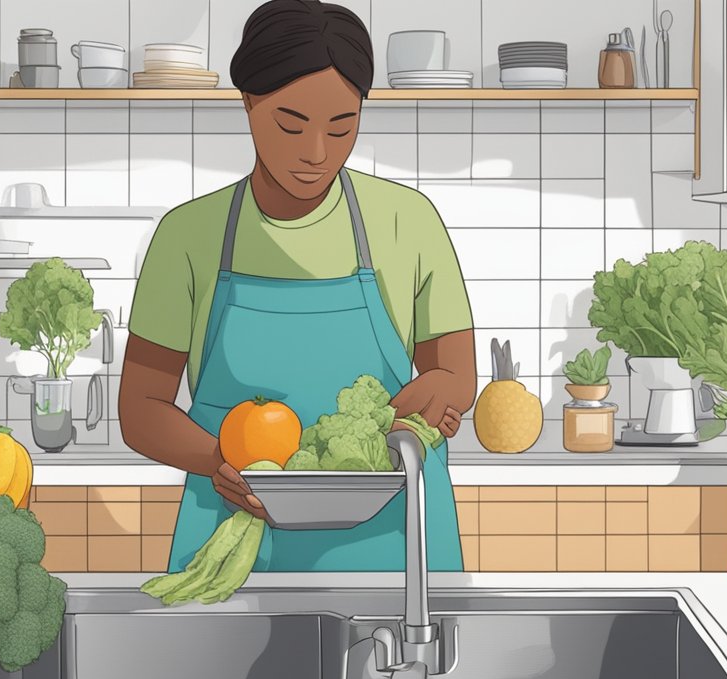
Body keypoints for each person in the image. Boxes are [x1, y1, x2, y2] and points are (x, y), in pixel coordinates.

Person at [120, 0, 476, 573]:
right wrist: (218, 462)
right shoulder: (187, 235)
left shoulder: (407, 222)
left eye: (342, 127)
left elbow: (456, 375)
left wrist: (440, 395)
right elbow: (140, 408)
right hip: (234, 537)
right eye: (291, 124)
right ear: (248, 102)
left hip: (392, 543)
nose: (316, 154)